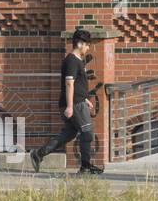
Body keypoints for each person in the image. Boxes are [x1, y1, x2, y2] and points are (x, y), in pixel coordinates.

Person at [30, 29, 103, 175]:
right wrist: (70, 106)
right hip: (74, 105)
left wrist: (86, 99)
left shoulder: (76, 61)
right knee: (87, 133)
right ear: (80, 44)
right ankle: (85, 167)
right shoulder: (72, 61)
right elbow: (69, 84)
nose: (88, 48)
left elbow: (78, 85)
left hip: (77, 102)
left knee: (69, 133)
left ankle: (39, 154)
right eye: (87, 45)